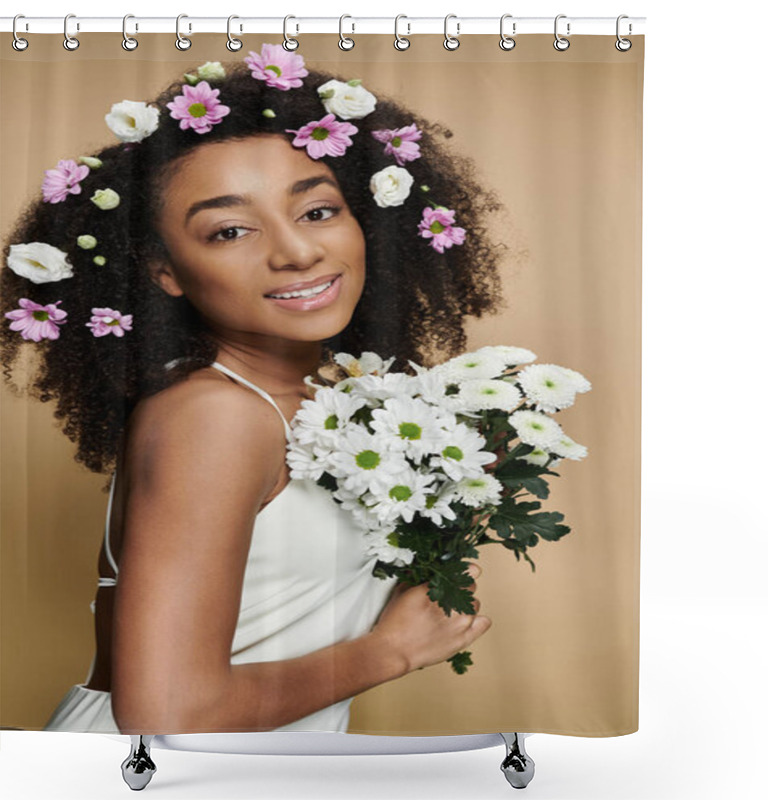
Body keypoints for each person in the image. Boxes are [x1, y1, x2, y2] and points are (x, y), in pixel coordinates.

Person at [0, 44, 506, 735]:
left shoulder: (324, 407)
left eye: (318, 211)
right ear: (164, 270)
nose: (296, 252)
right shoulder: (215, 415)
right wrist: (390, 650)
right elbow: (167, 714)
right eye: (230, 230)